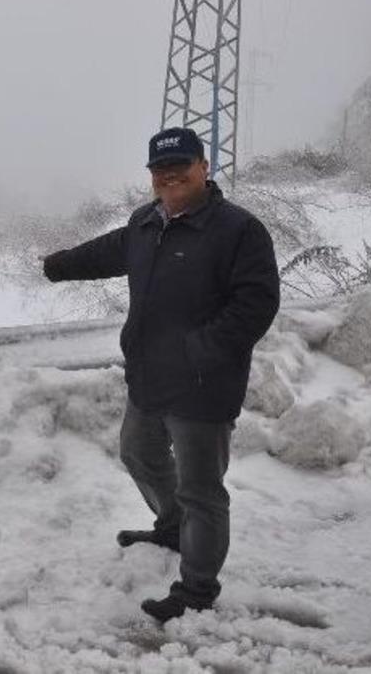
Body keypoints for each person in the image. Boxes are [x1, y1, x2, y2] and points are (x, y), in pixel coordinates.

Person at [41, 126, 280, 622]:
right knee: (139, 453)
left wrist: (198, 352)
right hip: (149, 377)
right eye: (160, 171)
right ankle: (172, 527)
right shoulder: (147, 222)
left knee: (202, 491)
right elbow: (114, 249)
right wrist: (59, 265)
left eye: (180, 168)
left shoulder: (238, 230)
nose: (169, 178)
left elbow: (257, 304)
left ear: (204, 168)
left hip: (203, 386)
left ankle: (197, 589)